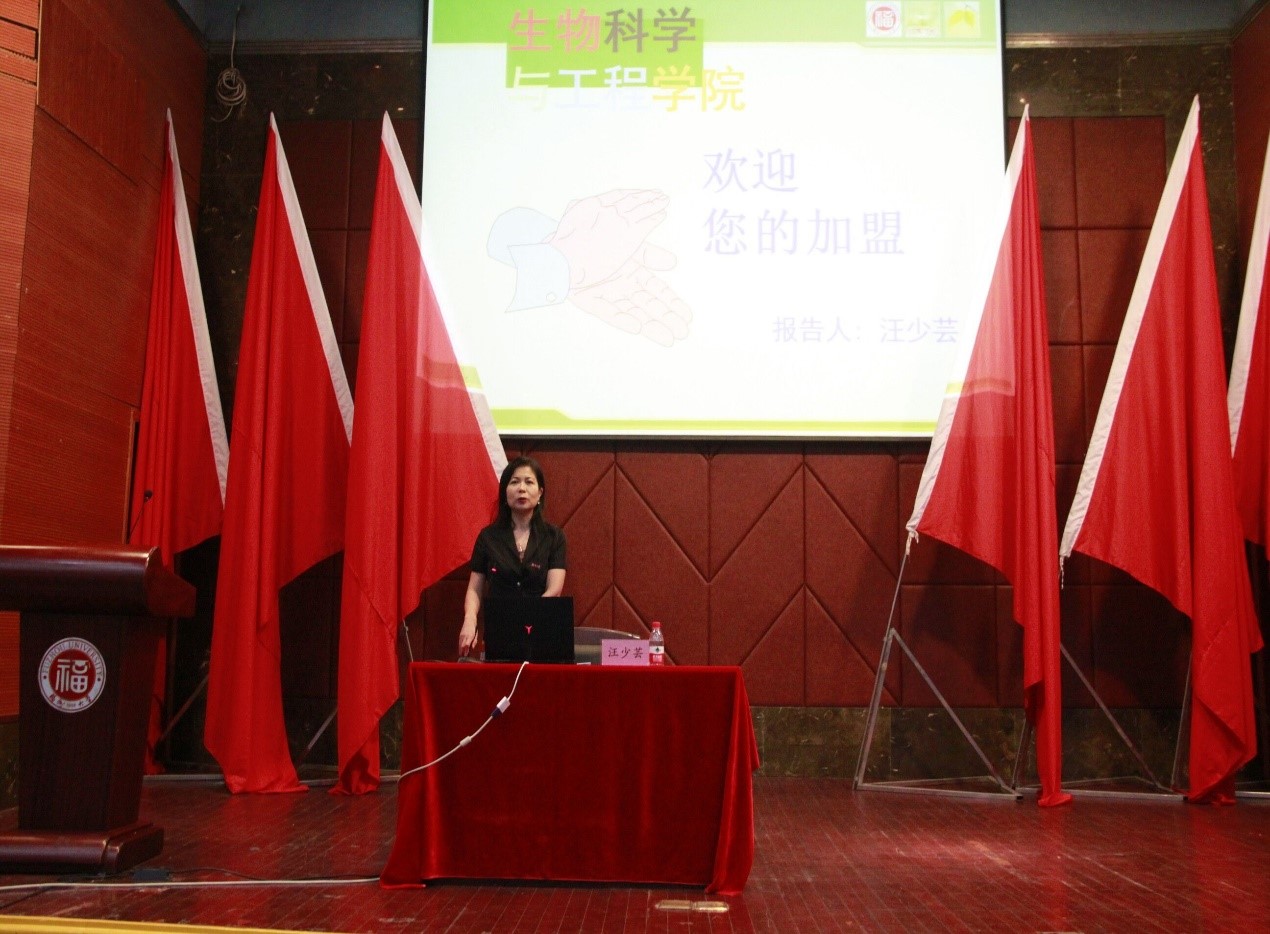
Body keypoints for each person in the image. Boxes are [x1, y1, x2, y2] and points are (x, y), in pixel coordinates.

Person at [459, 456, 567, 656]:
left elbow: (554, 589)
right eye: (515, 482)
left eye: (529, 482)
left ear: (540, 492)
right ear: (505, 492)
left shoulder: (554, 537)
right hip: (500, 631)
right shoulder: (488, 537)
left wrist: (524, 618)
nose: (521, 489)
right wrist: (470, 620)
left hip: (541, 630)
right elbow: (475, 588)